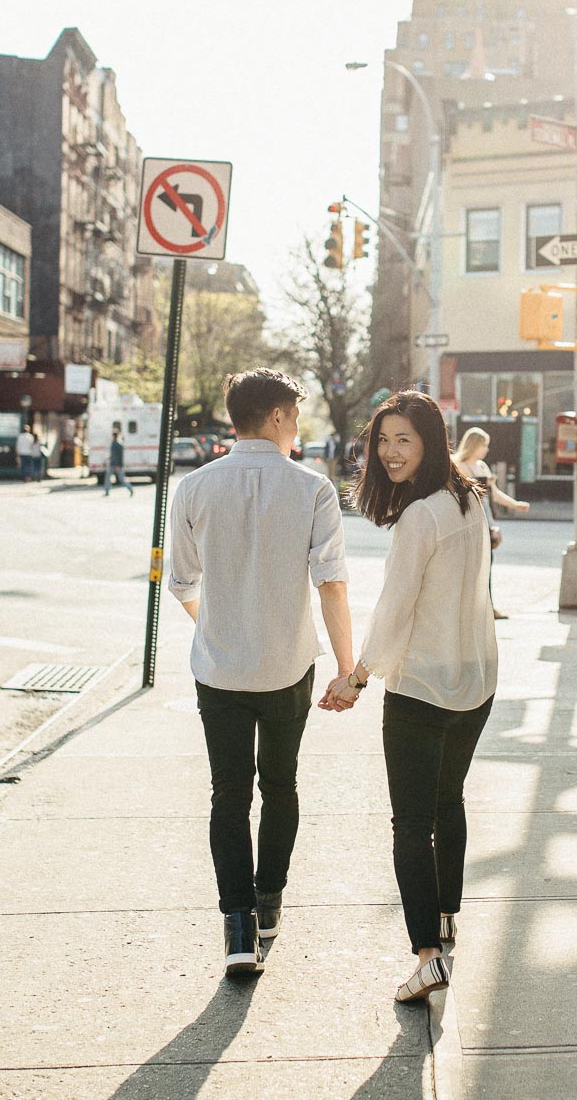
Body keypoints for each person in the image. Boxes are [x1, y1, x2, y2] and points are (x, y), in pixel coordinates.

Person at [168, 368, 354, 977]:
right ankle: (269, 900)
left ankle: (238, 925)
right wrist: (347, 668)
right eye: (295, 416)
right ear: (276, 416)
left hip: (218, 667)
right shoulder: (313, 489)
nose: (297, 428)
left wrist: (213, 625)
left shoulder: (193, 488)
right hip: (287, 665)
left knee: (228, 793)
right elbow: (331, 584)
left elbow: (182, 582)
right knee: (280, 785)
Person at [326, 391, 497, 1004]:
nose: (391, 452)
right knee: (448, 801)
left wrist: (358, 675)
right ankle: (445, 917)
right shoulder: (470, 498)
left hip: (423, 688)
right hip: (475, 681)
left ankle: (427, 955)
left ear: (431, 441)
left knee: (411, 826)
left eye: (405, 439)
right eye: (383, 439)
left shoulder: (421, 515)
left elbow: (396, 609)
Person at [452, 427, 529, 621]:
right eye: (484, 445)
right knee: (468, 566)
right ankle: (466, 608)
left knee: (486, 564)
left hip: (485, 518)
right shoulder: (458, 465)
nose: (486, 449)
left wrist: (515, 505)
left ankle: (487, 607)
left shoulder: (483, 467)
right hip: (467, 520)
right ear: (475, 445)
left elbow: (493, 494)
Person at [104, 423, 133, 496]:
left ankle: (129, 488)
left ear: (114, 436)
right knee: (111, 477)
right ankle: (107, 490)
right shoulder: (116, 443)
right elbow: (115, 455)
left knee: (120, 478)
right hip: (114, 463)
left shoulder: (116, 444)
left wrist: (117, 465)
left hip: (115, 464)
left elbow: (118, 456)